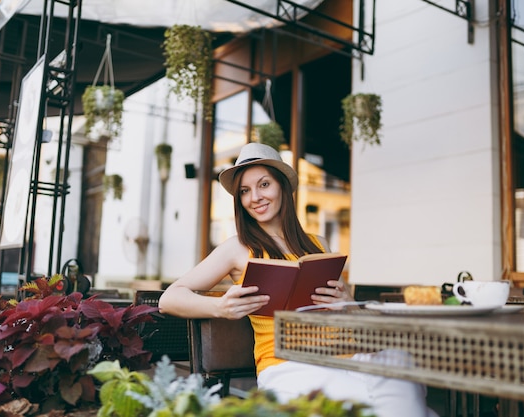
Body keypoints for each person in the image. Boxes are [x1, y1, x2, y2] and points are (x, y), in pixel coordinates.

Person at [159, 142, 437, 417]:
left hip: (346, 354)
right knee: (375, 402)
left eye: (264, 184)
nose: (255, 197)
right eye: (245, 191)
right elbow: (169, 298)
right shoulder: (238, 248)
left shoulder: (319, 244)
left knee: (400, 363)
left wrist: (348, 303)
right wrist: (220, 308)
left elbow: (347, 318)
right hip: (288, 364)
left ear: (283, 187)